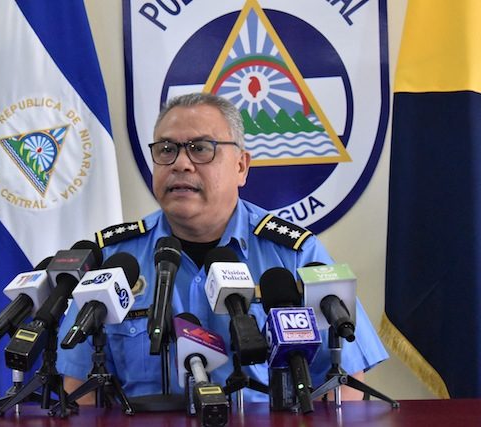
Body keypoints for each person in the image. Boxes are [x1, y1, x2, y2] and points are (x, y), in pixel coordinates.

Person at [57, 92, 388, 403]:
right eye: (167, 149)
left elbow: (343, 380)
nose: (181, 164)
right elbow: (80, 386)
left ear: (241, 166)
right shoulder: (115, 260)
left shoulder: (296, 255)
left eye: (200, 148)